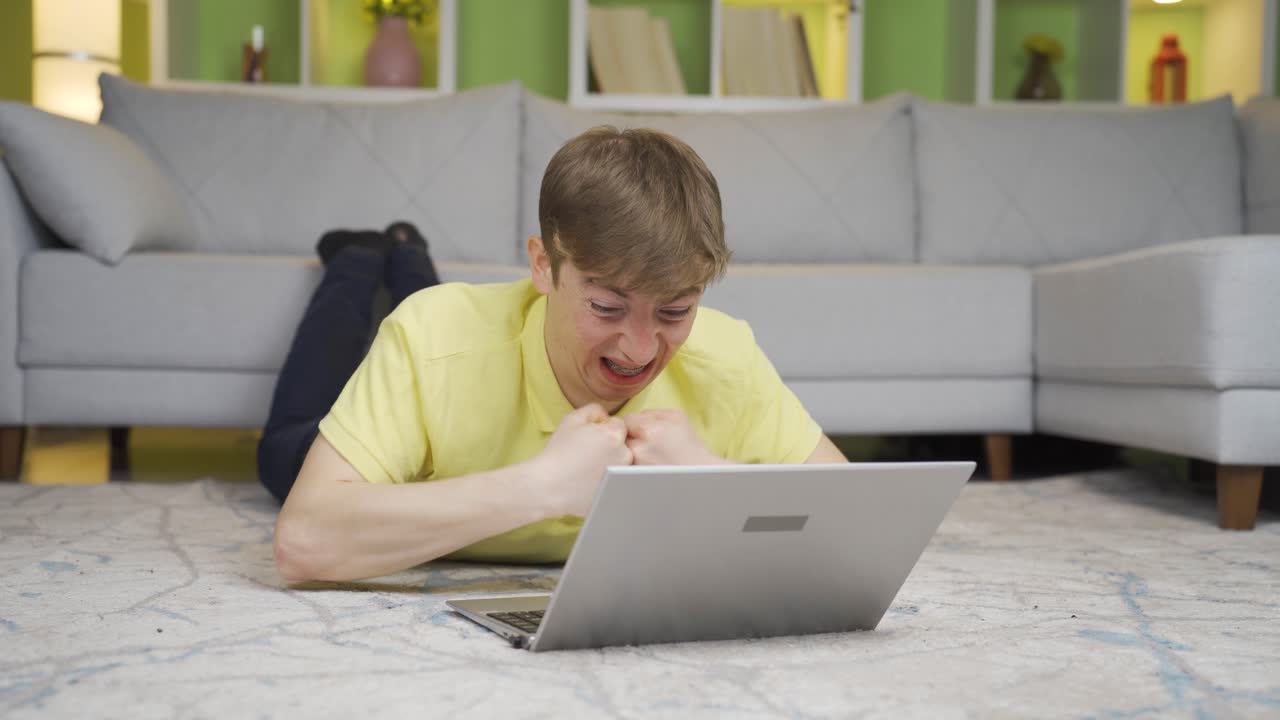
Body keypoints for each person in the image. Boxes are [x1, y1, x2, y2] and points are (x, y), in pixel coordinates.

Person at [271, 127, 848, 583]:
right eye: (606, 307)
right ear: (543, 266)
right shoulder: (431, 336)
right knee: (286, 442)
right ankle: (360, 255)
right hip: (370, 428)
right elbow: (304, 541)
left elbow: (858, 525)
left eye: (674, 312)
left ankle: (406, 250)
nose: (641, 348)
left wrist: (707, 484)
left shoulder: (724, 355)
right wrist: (541, 487)